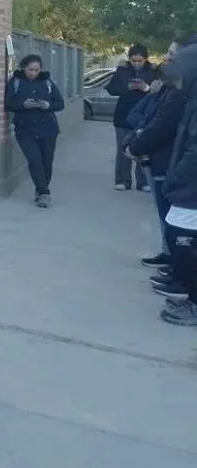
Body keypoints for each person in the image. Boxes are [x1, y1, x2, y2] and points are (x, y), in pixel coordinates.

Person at [124, 35, 197, 279]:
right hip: (167, 161)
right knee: (171, 223)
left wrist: (137, 147)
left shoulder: (181, 91)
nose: (167, 59)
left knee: (178, 228)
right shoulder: (173, 86)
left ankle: (182, 279)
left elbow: (164, 125)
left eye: (173, 56)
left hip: (171, 165)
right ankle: (174, 263)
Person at [151, 42, 197, 325]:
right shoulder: (192, 99)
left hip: (190, 188)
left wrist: (175, 179)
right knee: (180, 239)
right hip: (187, 185)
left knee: (180, 240)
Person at [5, 54, 66, 208]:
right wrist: (22, 104)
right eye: (30, 69)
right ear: (24, 68)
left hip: (48, 128)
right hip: (24, 128)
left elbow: (60, 103)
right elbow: (8, 103)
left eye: (36, 70)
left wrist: (47, 105)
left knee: (46, 162)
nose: (33, 73)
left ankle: (40, 190)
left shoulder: (46, 81)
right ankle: (44, 192)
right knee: (34, 160)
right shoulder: (16, 82)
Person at [106, 43, 156, 191]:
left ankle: (143, 181)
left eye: (139, 61)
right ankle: (122, 180)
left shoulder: (153, 72)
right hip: (123, 115)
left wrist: (145, 88)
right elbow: (111, 89)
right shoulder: (122, 70)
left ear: (145, 59)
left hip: (144, 115)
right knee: (123, 148)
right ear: (129, 59)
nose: (136, 64)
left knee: (143, 148)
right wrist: (126, 88)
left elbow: (160, 91)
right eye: (133, 60)